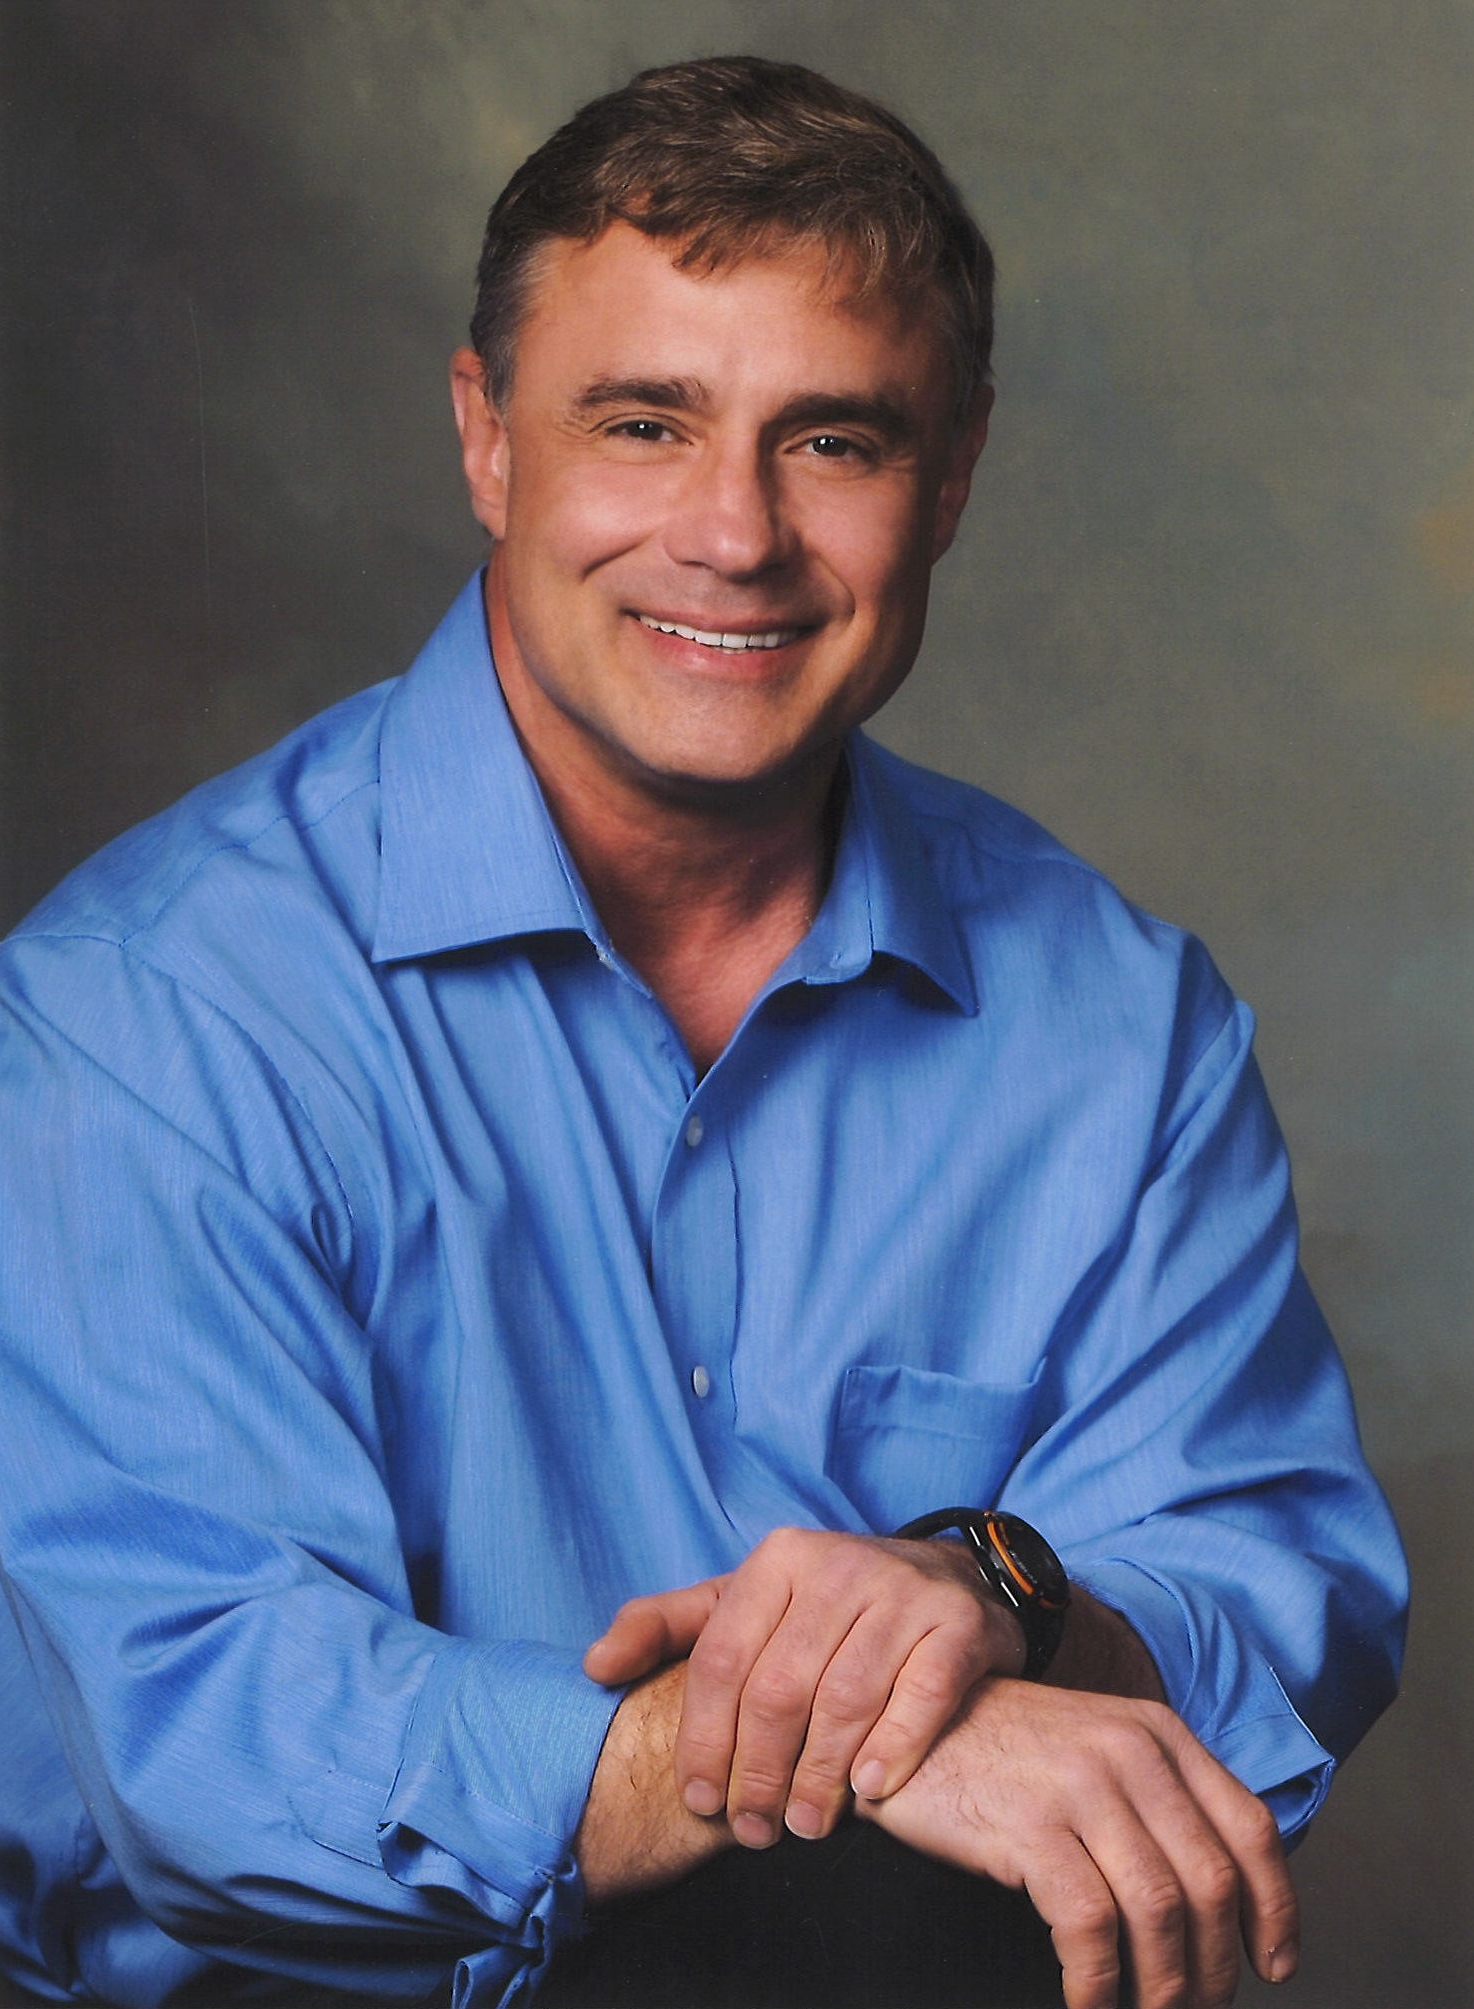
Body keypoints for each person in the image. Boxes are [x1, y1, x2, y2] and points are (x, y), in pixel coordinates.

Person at [0, 54, 1405, 2009]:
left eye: (831, 440)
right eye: (644, 423)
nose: (732, 533)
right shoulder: (144, 1018)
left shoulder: (1120, 1026)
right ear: (487, 439)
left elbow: (1269, 1574)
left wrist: (988, 1593)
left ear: (951, 480)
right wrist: (833, 1752)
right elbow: (203, 1728)